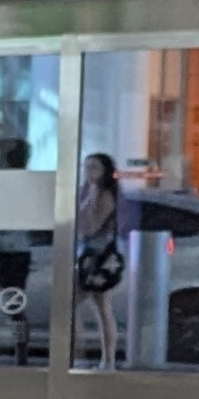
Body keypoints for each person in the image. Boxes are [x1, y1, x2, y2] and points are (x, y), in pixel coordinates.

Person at [70, 150, 125, 371]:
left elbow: (90, 227)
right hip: (90, 256)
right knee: (99, 306)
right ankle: (104, 358)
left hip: (99, 258)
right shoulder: (90, 192)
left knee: (89, 305)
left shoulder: (104, 195)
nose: (88, 171)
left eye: (94, 167)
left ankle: (100, 357)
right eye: (86, 166)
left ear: (105, 172)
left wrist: (83, 210)